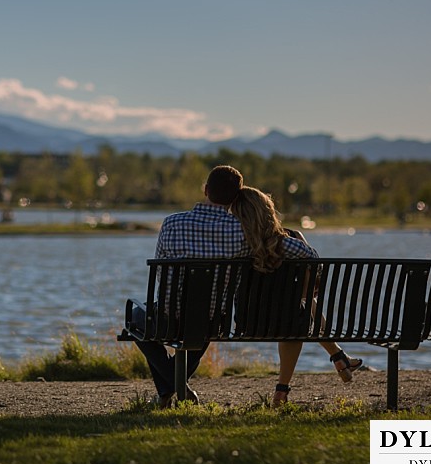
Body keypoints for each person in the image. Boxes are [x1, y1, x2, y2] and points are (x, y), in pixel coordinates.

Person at [230, 186, 364, 407]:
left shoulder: (232, 245)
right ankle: (285, 388)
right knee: (298, 305)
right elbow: (314, 273)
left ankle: (339, 356)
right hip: (289, 321)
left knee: (295, 305)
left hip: (247, 321)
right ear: (267, 211)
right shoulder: (289, 243)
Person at [133, 164, 247, 408]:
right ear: (236, 197)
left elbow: (161, 266)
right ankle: (174, 387)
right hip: (214, 320)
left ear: (205, 190)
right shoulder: (242, 231)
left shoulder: (172, 223)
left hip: (168, 317)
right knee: (207, 312)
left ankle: (171, 388)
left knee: (135, 316)